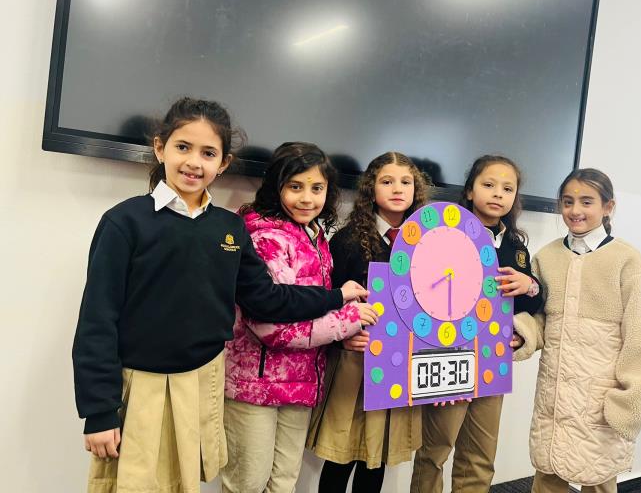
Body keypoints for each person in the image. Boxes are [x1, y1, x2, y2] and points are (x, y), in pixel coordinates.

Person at [72, 98, 367, 493]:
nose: (194, 162)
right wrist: (99, 411)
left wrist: (336, 297)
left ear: (223, 163)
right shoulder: (125, 222)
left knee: (186, 484)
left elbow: (267, 299)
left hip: (203, 379)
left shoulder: (229, 228)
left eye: (208, 153)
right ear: (160, 148)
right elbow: (97, 319)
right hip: (142, 383)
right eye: (183, 147)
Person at [221, 142, 378, 493]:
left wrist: (343, 322)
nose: (307, 198)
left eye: (317, 188)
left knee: (284, 482)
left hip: (302, 383)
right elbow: (270, 328)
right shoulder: (265, 237)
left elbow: (312, 306)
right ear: (276, 186)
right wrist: (347, 320)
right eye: (295, 186)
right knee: (247, 484)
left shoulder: (316, 237)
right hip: (255, 386)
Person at [513, 168, 641, 493]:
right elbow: (539, 318)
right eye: (568, 202)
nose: (575, 210)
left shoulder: (627, 261)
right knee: (547, 472)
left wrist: (630, 401)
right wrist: (523, 332)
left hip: (600, 401)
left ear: (608, 206)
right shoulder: (546, 257)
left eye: (586, 201)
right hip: (553, 396)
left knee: (597, 478)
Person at [410, 155, 543, 493]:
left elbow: (529, 306)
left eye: (508, 189)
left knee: (480, 456)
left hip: (492, 360)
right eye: (488, 185)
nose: (498, 193)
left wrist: (529, 286)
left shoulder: (516, 248)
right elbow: (424, 296)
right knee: (434, 452)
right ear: (469, 190)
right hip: (449, 356)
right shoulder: (444, 234)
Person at [308, 152, 431, 493]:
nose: (397, 189)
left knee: (376, 455)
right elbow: (326, 299)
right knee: (341, 455)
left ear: (416, 190)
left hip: (399, 362)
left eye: (405, 182)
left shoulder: (428, 241)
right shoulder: (347, 241)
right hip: (355, 362)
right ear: (370, 189)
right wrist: (342, 336)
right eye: (386, 181)